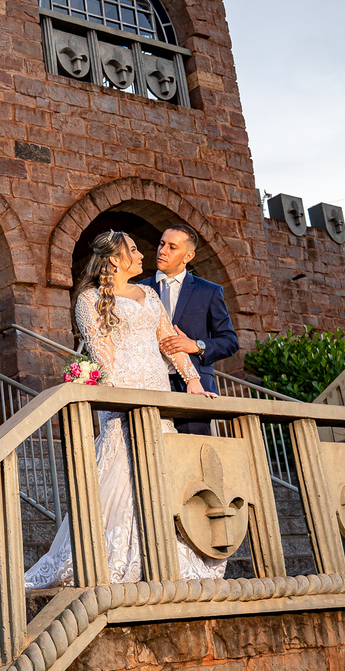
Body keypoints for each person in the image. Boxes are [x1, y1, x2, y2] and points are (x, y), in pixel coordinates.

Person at [24, 230, 227, 588]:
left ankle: (167, 555)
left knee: (163, 475)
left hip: (159, 396)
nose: (143, 255)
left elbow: (169, 343)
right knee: (122, 475)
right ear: (115, 259)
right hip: (124, 401)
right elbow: (104, 357)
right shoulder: (88, 300)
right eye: (133, 249)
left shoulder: (149, 294)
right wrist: (121, 396)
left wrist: (192, 380)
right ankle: (113, 556)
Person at [140, 224, 239, 435]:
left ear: (188, 256)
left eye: (172, 247)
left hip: (193, 387)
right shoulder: (139, 289)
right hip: (148, 385)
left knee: (193, 458)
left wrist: (195, 345)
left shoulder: (209, 291)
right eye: (162, 243)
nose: (162, 250)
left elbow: (230, 341)